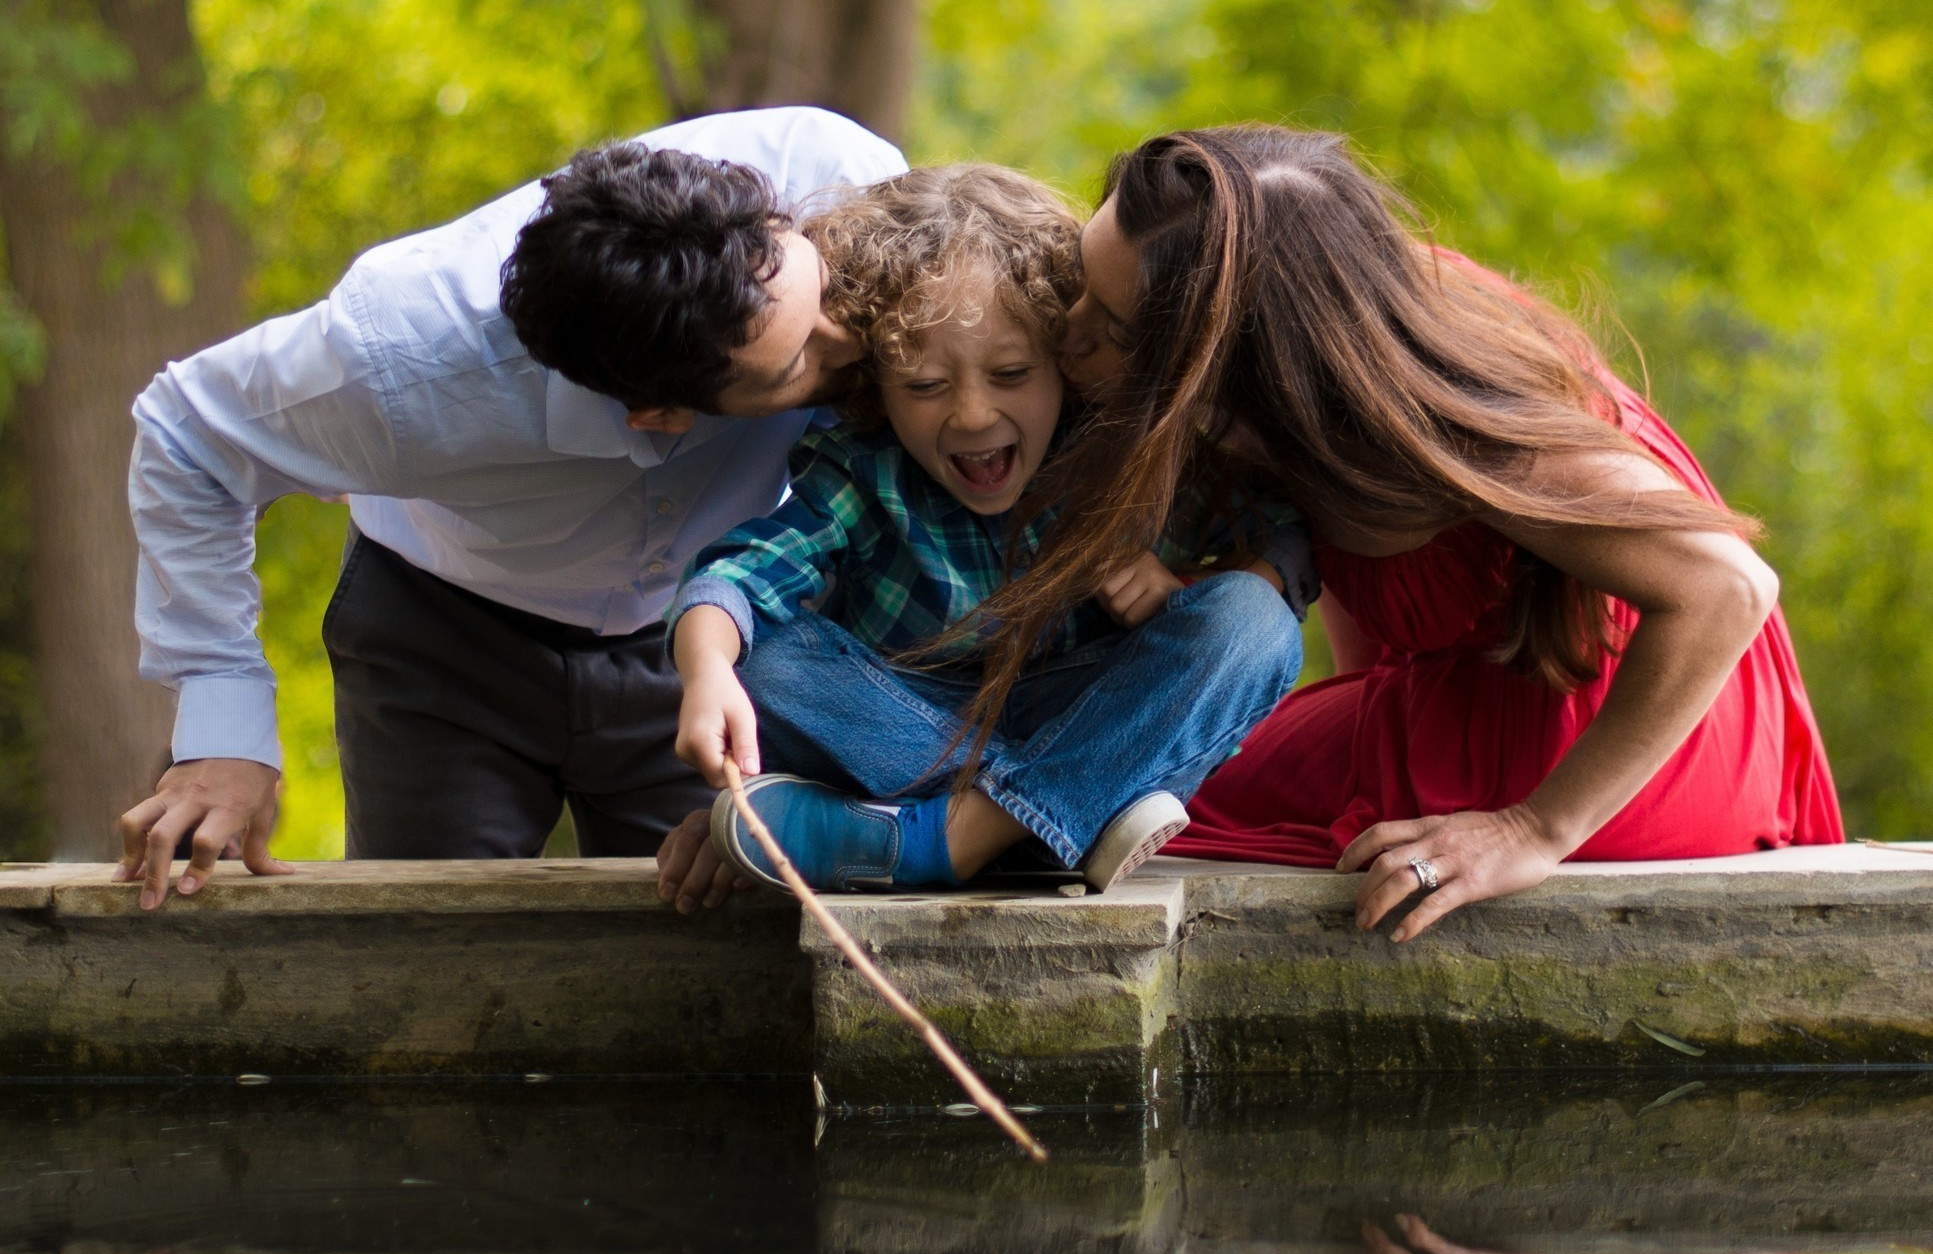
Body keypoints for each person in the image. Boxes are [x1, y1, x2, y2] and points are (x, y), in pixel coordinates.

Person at [988, 125, 1841, 937]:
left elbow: (1728, 587)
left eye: (1108, 324)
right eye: (1080, 289)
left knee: (1125, 794)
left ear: (1239, 353)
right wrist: (1358, 729)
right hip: (1480, 693)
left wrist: (1533, 830)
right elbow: (1357, 570)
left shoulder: (1441, 415)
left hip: (1608, 734)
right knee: (1124, 762)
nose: (1066, 333)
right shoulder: (1303, 378)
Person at [119, 107, 902, 904]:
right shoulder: (400, 360)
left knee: (728, 943)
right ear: (657, 413)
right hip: (444, 645)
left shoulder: (848, 183)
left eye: (824, 292)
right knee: (428, 955)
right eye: (798, 361)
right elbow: (189, 434)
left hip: (714, 644)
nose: (853, 341)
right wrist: (222, 726)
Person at [665, 165, 1313, 897]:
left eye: (1010, 373)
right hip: (908, 727)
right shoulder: (862, 471)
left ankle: (934, 840)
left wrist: (1181, 591)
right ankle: (1058, 821)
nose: (971, 416)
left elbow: (1285, 532)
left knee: (1253, 621)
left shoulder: (1125, 451)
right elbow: (744, 575)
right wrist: (708, 669)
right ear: (874, 381)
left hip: (1097, 709)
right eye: (924, 386)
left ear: (1062, 362)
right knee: (762, 662)